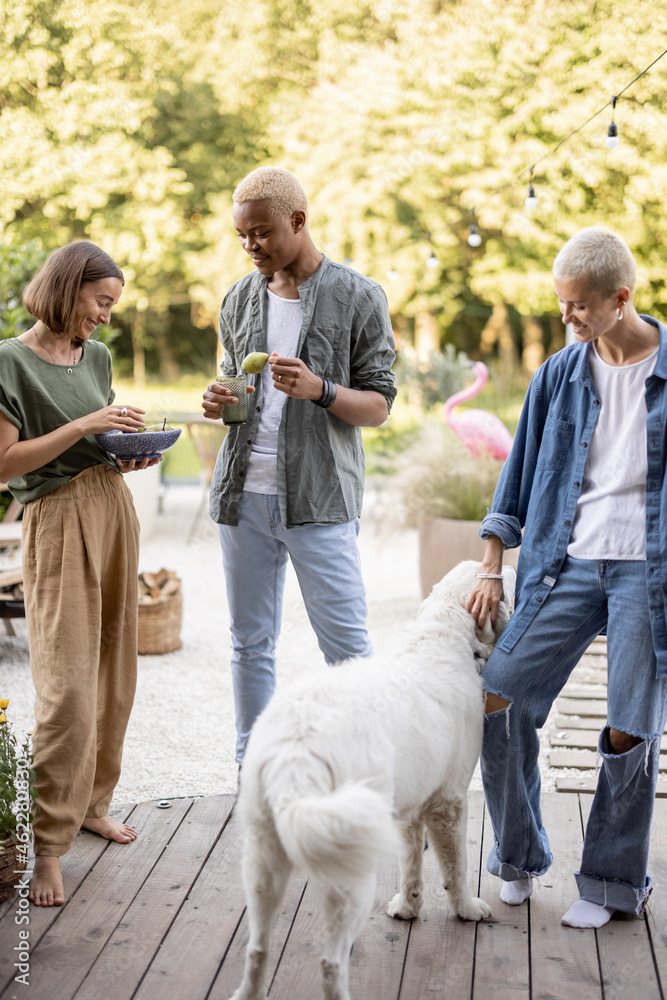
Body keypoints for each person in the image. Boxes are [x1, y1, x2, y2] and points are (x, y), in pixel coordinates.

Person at [466, 227, 667, 929]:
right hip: (565, 565)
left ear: (620, 298)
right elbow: (516, 472)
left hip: (649, 572)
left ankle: (613, 882)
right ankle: (518, 857)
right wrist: (492, 563)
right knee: (498, 696)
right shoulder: (560, 372)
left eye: (580, 307)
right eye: (560, 306)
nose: (568, 320)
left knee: (627, 728)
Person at [202, 166, 396, 768]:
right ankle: (252, 766)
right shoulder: (238, 298)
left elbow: (380, 406)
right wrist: (218, 401)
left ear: (299, 220)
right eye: (242, 237)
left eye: (261, 233)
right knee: (249, 644)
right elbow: (235, 388)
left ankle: (368, 769)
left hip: (318, 500)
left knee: (347, 649)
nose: (251, 246)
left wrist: (320, 390)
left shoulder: (358, 296)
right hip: (243, 498)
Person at [0, 242, 160, 907]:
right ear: (68, 291)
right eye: (100, 303)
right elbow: (7, 465)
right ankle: (48, 849)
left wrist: (125, 452)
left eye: (111, 307)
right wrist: (89, 421)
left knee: (113, 673)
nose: (104, 319)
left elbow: (96, 441)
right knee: (67, 687)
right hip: (56, 519)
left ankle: (93, 803)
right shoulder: (9, 360)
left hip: (112, 508)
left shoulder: (97, 357)